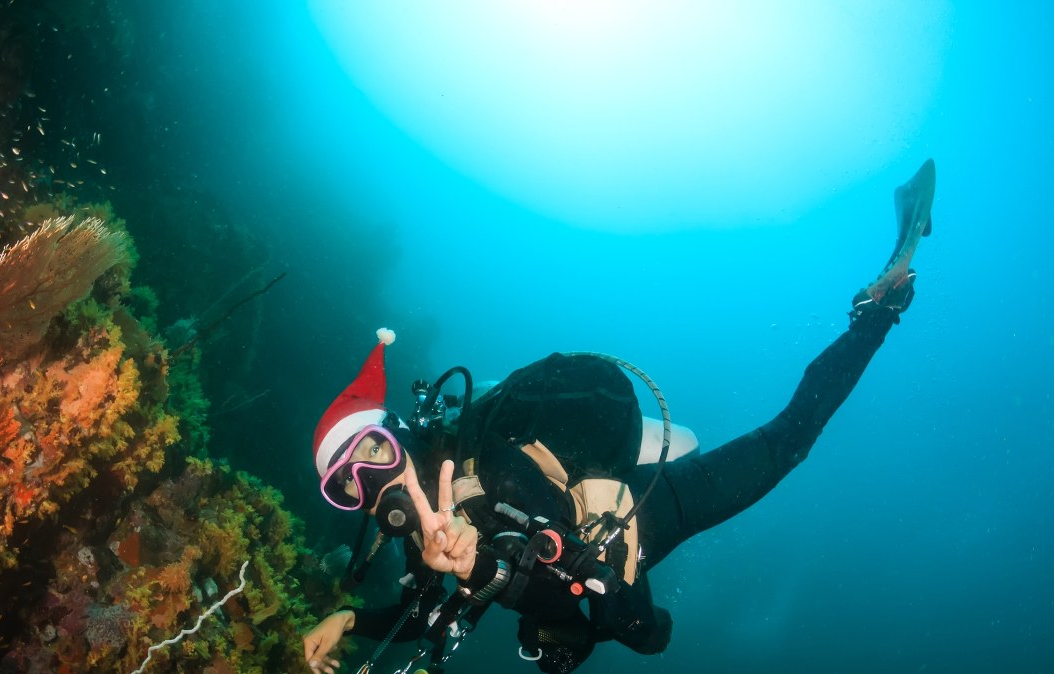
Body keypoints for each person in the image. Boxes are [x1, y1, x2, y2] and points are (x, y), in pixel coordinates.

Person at [302, 160, 935, 674]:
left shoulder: (481, 460)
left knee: (787, 440)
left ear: (400, 434)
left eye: (373, 454)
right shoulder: (418, 529)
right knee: (568, 642)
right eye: (345, 485)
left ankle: (878, 310)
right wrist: (351, 620)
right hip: (582, 534)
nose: (371, 485)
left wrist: (476, 567)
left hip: (638, 517)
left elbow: (581, 577)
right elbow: (423, 614)